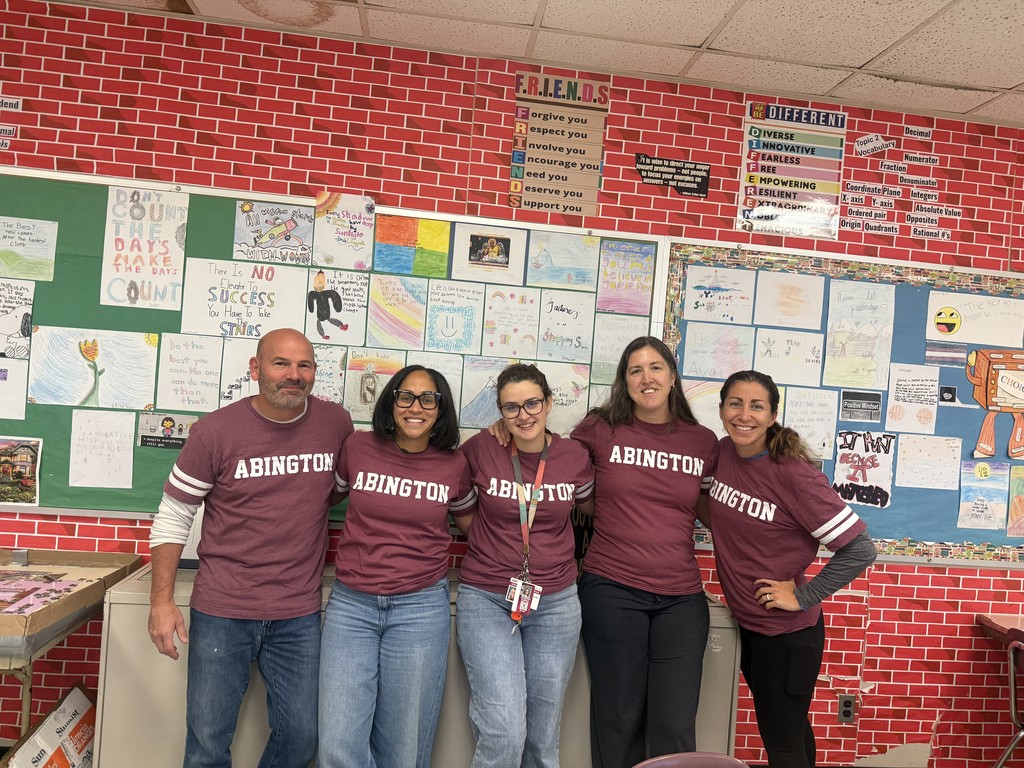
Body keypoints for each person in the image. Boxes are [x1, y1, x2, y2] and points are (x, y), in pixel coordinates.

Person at [148, 327, 354, 768]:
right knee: (207, 743)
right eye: (281, 363)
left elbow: (335, 489)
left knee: (302, 737)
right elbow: (173, 514)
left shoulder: (335, 423)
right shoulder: (214, 432)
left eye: (305, 365)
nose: (293, 375)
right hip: (223, 609)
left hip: (298, 612)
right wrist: (161, 601)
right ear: (255, 369)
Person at [706, 370, 876, 768]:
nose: (744, 415)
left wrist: (801, 595)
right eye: (735, 403)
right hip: (751, 627)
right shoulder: (724, 452)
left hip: (788, 637)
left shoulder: (794, 476)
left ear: (772, 414)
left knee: (781, 745)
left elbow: (860, 550)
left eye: (756, 406)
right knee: (792, 732)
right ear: (721, 409)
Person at [318, 364, 476, 768]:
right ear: (391, 402)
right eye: (405, 396)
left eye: (428, 398)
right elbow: (317, 501)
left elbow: (476, 528)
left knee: (403, 749)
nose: (415, 407)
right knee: (337, 744)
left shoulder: (454, 465)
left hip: (420, 609)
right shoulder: (357, 447)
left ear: (441, 409)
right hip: (352, 606)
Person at [570, 336, 718, 767]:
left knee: (674, 724)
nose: (646, 377)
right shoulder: (600, 428)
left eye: (656, 368)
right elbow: (557, 471)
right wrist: (505, 426)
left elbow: (717, 513)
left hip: (681, 598)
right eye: (635, 370)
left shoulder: (702, 441)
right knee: (618, 718)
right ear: (624, 381)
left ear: (672, 377)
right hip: (612, 590)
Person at [458, 363, 595, 768]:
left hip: (556, 603)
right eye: (511, 408)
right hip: (487, 598)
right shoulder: (481, 449)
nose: (524, 415)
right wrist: (495, 546)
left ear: (549, 403)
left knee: (542, 734)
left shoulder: (573, 457)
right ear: (500, 412)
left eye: (532, 403)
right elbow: (464, 512)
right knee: (503, 729)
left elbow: (588, 508)